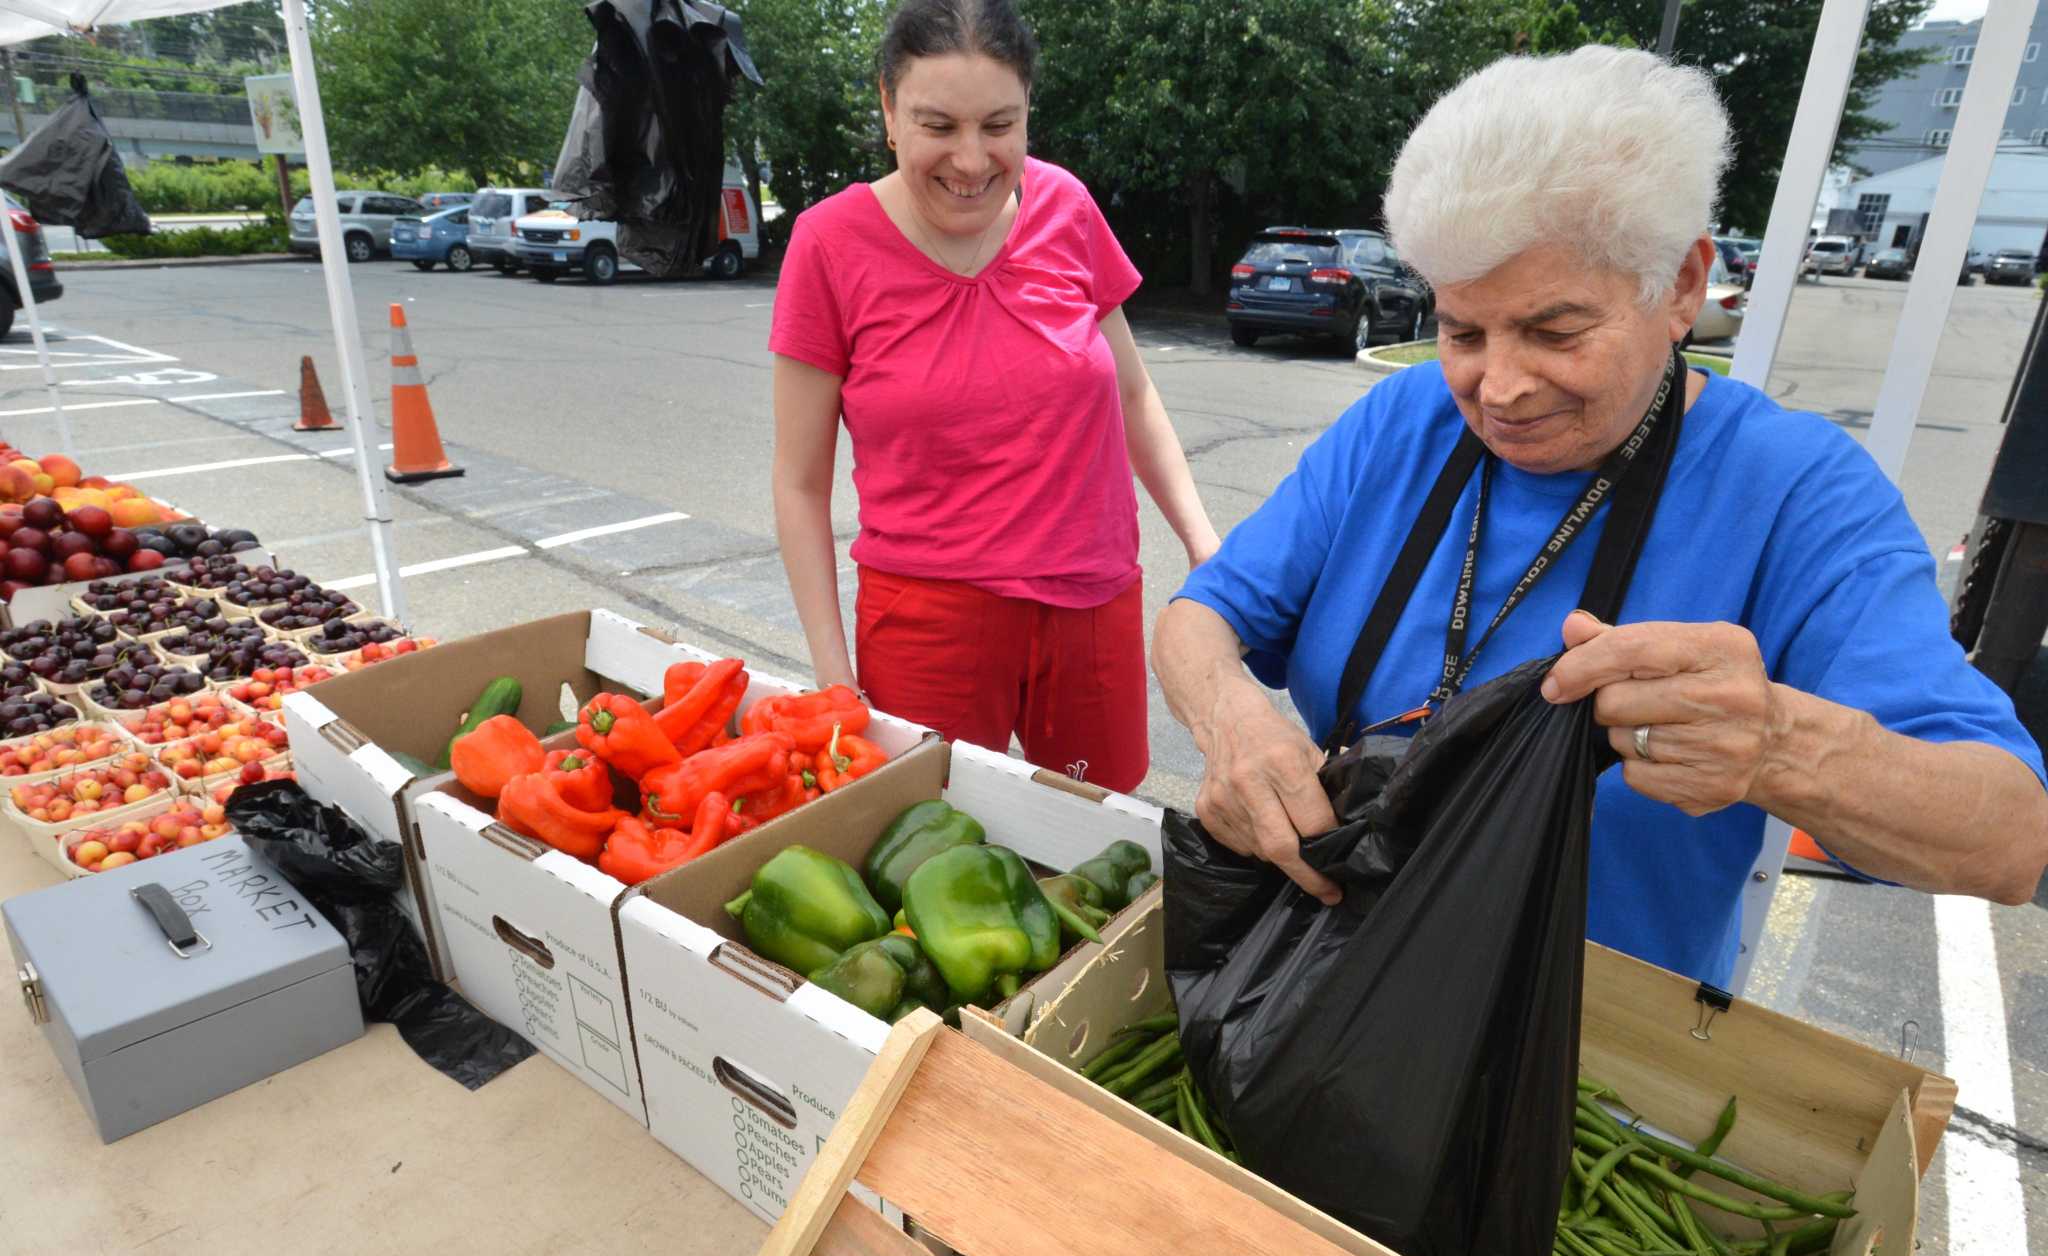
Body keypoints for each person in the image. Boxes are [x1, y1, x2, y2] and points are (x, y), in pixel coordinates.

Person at [1154, 46, 2048, 987]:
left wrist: (1779, 746)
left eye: (1555, 330)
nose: (1497, 389)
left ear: (1682, 288)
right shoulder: (1398, 421)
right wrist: (1232, 721)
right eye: (1461, 331)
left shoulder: (1795, 492)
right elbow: (1200, 618)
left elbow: (2010, 839)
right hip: (1317, 984)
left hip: (1586, 1069)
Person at [769, 0, 1219, 794]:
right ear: (888, 108)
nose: (971, 161)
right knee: (934, 851)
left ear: (1027, 116)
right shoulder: (829, 244)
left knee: (1093, 844)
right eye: (938, 126)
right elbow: (800, 483)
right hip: (927, 627)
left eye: (998, 126)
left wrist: (1203, 544)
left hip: (1091, 607)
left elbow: (1133, 396)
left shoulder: (1068, 210)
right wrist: (834, 679)